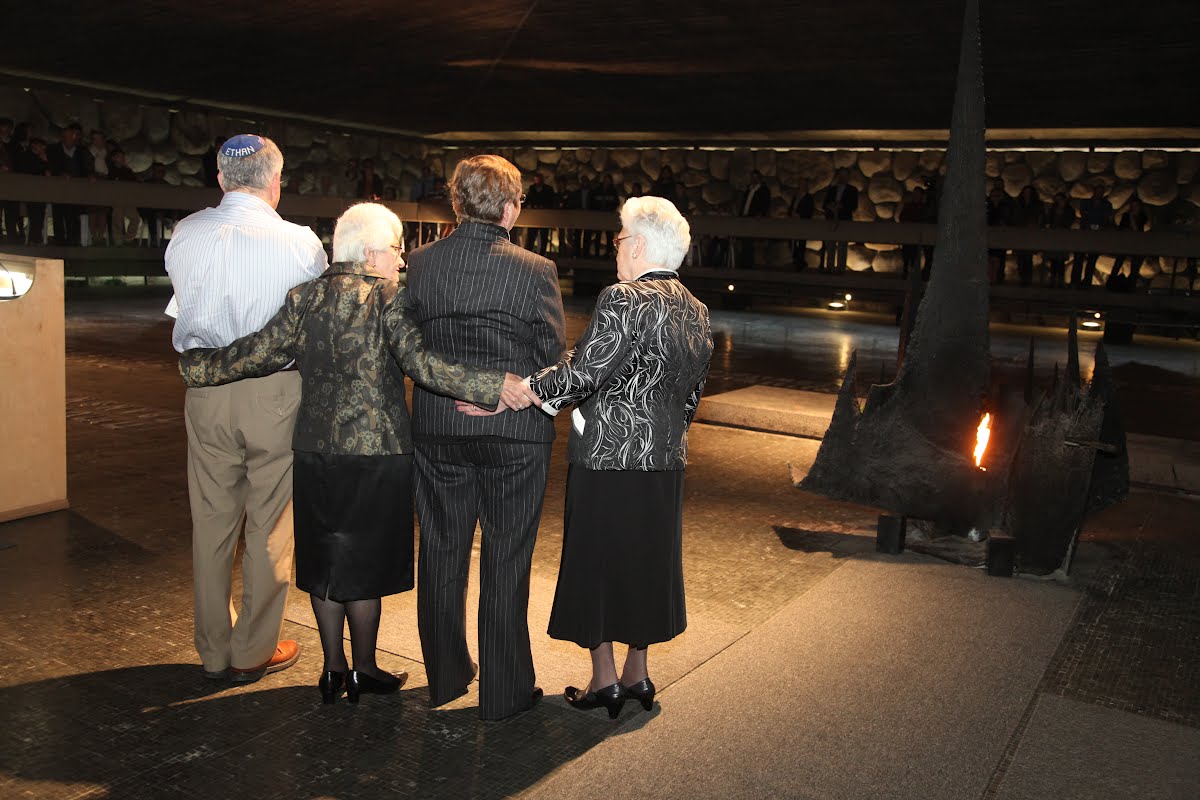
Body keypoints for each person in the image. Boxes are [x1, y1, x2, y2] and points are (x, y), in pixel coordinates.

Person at [178, 202, 532, 704]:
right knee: (363, 564)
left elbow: (259, 352)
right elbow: (421, 363)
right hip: (378, 451)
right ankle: (365, 668)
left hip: (315, 449)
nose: (401, 259)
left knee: (327, 558)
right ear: (370, 252)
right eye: (395, 249)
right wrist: (492, 385)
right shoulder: (388, 297)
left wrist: (199, 368)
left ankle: (332, 669)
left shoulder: (305, 296)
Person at [466, 195, 713, 719]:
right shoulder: (695, 309)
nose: (616, 249)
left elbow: (584, 375)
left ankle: (606, 682)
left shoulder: (624, 298)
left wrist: (517, 390)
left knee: (597, 565)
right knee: (647, 564)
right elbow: (690, 395)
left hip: (608, 460)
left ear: (640, 245)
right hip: (664, 461)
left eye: (620, 239)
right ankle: (637, 674)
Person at [405, 154, 566, 721]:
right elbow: (552, 359)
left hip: (439, 428)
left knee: (442, 552)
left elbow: (411, 347)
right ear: (510, 206)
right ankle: (504, 693)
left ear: (456, 204)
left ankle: (446, 678)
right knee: (506, 558)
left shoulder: (421, 264)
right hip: (515, 434)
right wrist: (505, 388)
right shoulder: (534, 270)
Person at [166, 134, 328, 685]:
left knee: (211, 522)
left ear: (220, 179)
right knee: (270, 525)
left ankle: (212, 648)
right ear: (276, 182)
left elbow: (183, 309)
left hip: (207, 392)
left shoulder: (186, 234)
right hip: (275, 394)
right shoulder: (301, 243)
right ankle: (254, 648)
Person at [46, 122, 91, 245]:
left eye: (73, 135)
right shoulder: (53, 149)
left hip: (76, 188)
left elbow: (86, 167)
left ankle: (74, 241)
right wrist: (59, 173)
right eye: (67, 136)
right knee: (58, 215)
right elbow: (50, 165)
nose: (70, 138)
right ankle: (59, 241)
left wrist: (89, 176)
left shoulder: (81, 151)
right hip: (58, 188)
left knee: (74, 214)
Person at [1073, 184, 1113, 289]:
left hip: (1097, 237)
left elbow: (1106, 219)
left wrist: (1100, 227)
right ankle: (1075, 282)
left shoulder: (1107, 205)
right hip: (1084, 234)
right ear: (1094, 191)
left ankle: (1087, 283)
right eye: (1097, 191)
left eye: (1101, 191)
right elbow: (1084, 215)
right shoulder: (1085, 203)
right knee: (1079, 259)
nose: (1099, 193)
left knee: (1092, 261)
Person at [822, 169, 858, 272]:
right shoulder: (832, 190)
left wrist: (841, 206)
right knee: (830, 245)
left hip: (844, 220)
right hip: (831, 220)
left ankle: (840, 269)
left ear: (848, 177)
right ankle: (829, 268)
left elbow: (854, 206)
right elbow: (824, 205)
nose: (843, 178)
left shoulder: (853, 190)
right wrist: (831, 207)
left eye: (845, 176)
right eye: (841, 176)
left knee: (842, 245)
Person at [1010, 185, 1044, 287]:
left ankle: (1027, 280)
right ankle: (1022, 279)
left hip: (1030, 235)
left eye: (1029, 192)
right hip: (1019, 234)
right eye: (1025, 192)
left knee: (1028, 258)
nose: (1027, 194)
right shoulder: (1017, 204)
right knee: (1020, 259)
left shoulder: (1038, 204)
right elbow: (1014, 217)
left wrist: (1034, 226)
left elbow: (1041, 218)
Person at [738, 170, 771, 268]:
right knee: (745, 242)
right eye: (752, 177)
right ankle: (744, 263)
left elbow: (765, 205)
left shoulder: (764, 191)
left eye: (756, 177)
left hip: (754, 220)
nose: (754, 179)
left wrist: (759, 215)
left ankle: (748, 264)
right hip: (745, 219)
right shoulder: (749, 189)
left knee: (749, 243)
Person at [1043, 192, 1076, 289]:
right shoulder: (1052, 210)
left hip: (1063, 238)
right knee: (1053, 262)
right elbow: (1048, 221)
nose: (1059, 202)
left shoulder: (1069, 211)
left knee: (1061, 262)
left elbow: (1069, 222)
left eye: (1060, 199)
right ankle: (1052, 281)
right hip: (1053, 238)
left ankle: (1061, 282)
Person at [523, 173, 556, 255]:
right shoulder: (532, 188)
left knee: (544, 237)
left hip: (544, 217)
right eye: (536, 179)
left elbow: (551, 201)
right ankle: (528, 254)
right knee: (531, 237)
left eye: (539, 179)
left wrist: (544, 207)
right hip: (533, 217)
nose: (537, 181)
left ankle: (542, 254)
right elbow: (528, 200)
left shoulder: (548, 189)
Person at [788, 178, 815, 270]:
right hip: (793, 224)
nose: (801, 187)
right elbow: (791, 208)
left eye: (803, 185)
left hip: (803, 224)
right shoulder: (796, 197)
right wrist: (790, 214)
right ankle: (796, 261)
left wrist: (800, 215)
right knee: (792, 243)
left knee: (801, 244)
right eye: (800, 185)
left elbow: (809, 211)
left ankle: (800, 263)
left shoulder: (809, 198)